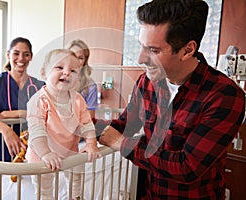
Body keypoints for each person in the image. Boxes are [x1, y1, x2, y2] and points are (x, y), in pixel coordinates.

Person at [96, 0, 246, 199]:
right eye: (142, 46)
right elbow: (124, 125)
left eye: (153, 50)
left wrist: (122, 144)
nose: (141, 59)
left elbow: (186, 167)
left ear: (187, 50)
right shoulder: (147, 83)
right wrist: (79, 124)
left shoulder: (223, 95)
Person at [25, 49, 101, 199]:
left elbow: (86, 124)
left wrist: (91, 143)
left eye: (73, 71)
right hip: (42, 154)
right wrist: (46, 153)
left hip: (69, 151)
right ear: (43, 73)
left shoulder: (77, 99)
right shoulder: (39, 100)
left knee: (76, 177)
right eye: (59, 67)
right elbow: (37, 131)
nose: (66, 73)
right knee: (44, 187)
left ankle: (75, 196)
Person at [0, 37, 45, 162]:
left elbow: (48, 113)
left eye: (26, 54)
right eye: (16, 53)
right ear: (8, 55)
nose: (21, 58)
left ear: (31, 57)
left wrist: (13, 114)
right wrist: (6, 130)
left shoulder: (39, 86)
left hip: (32, 152)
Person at [66, 39, 98, 118]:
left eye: (80, 58)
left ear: (85, 61)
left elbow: (90, 119)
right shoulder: (57, 80)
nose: (76, 61)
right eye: (73, 56)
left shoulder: (90, 86)